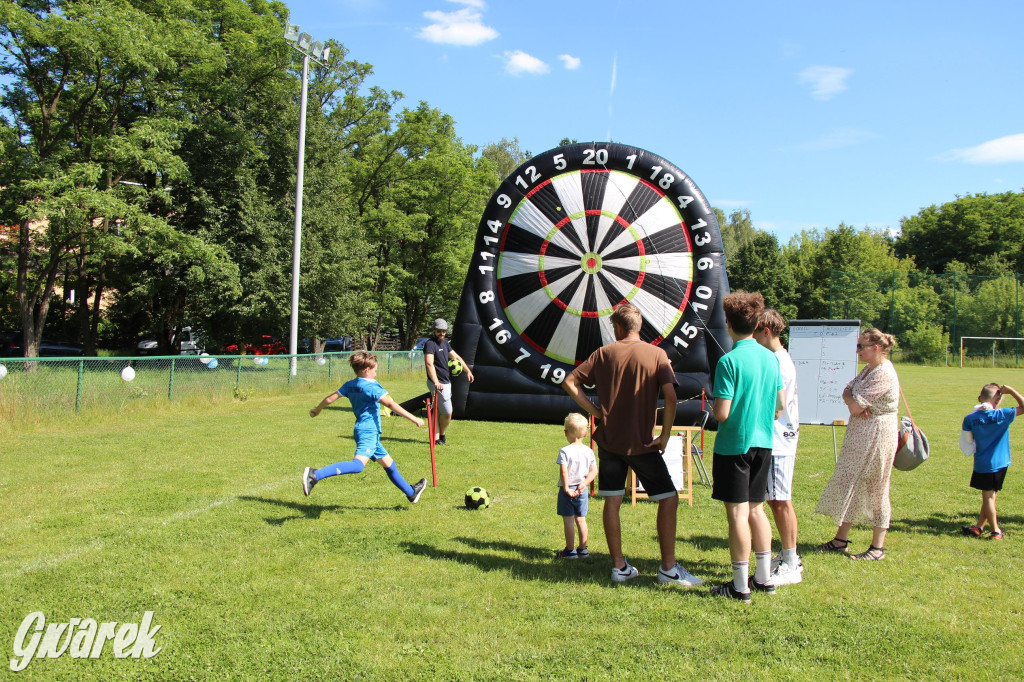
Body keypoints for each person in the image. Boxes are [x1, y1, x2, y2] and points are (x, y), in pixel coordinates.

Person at [562, 303, 703, 587]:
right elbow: (671, 398)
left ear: (618, 327)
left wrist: (595, 410)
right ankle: (667, 568)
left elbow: (569, 381)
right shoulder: (657, 355)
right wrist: (663, 436)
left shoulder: (603, 354)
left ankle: (619, 567)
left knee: (612, 500)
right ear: (639, 328)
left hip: (610, 440)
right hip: (641, 442)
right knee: (668, 498)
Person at [709, 292, 785, 603]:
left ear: (728, 323)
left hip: (733, 446)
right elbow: (780, 406)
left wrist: (716, 409)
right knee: (757, 509)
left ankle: (740, 586)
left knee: (737, 515)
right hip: (763, 444)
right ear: (756, 324)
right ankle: (764, 578)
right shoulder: (772, 358)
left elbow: (722, 413)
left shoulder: (728, 361)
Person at [814, 328, 900, 561]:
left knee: (876, 487)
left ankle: (877, 548)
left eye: (861, 346)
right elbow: (846, 391)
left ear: (876, 348)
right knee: (851, 481)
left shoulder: (883, 372)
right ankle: (840, 540)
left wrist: (854, 399)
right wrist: (853, 398)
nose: (857, 350)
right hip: (861, 434)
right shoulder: (868, 369)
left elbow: (853, 405)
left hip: (878, 436)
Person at [302, 351, 426, 504]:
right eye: (375, 370)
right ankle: (316, 475)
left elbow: (330, 398)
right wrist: (414, 418)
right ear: (367, 370)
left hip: (361, 430)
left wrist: (318, 409)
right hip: (369, 431)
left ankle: (411, 492)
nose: (376, 373)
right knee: (358, 465)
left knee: (389, 464)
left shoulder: (350, 384)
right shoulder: (371, 386)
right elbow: (391, 404)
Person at [753, 308, 803, 586]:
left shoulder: (779, 362)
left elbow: (775, 405)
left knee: (781, 501)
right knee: (774, 499)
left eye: (756, 332)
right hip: (776, 438)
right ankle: (786, 556)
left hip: (778, 440)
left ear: (767, 332)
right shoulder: (776, 359)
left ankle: (791, 561)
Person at [959, 383, 1023, 540]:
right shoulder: (1003, 415)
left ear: (980, 398)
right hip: (1002, 463)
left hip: (983, 464)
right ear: (998, 399)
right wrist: (1012, 391)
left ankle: (995, 531)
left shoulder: (970, 418)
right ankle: (979, 526)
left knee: (987, 497)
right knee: (991, 496)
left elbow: (967, 444)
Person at [423, 318, 474, 445]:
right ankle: (442, 436)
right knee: (447, 413)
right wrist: (435, 382)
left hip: (446, 382)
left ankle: (435, 439)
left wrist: (467, 371)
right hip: (438, 383)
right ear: (434, 330)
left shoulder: (445, 343)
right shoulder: (430, 344)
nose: (442, 333)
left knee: (439, 411)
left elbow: (456, 357)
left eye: (444, 331)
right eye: (439, 331)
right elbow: (429, 364)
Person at [555, 413, 598, 559]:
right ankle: (583, 549)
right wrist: (584, 483)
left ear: (566, 432)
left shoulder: (565, 451)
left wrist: (566, 488)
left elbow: (564, 470)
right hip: (582, 490)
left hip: (569, 490)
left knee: (568, 520)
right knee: (581, 519)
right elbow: (594, 471)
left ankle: (570, 550)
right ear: (586, 433)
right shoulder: (589, 451)